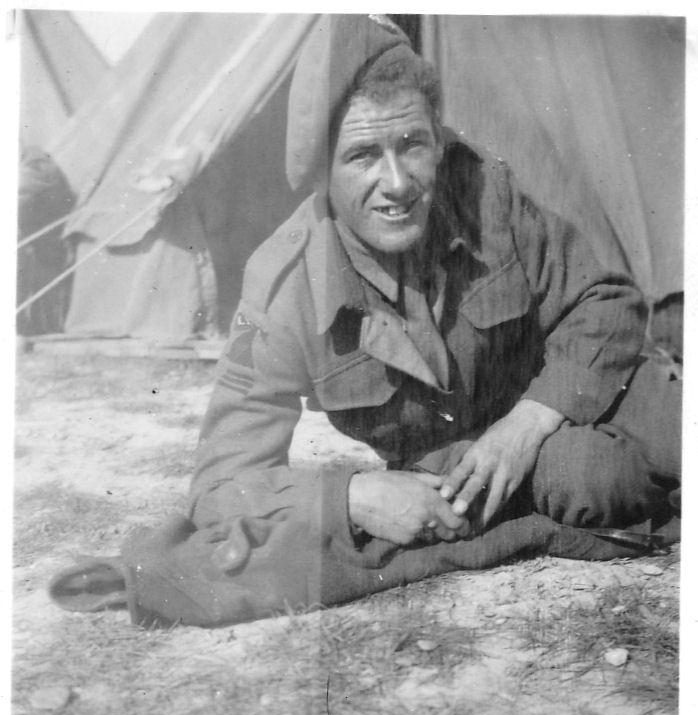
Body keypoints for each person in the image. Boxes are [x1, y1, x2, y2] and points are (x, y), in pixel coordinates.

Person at [49, 14, 681, 628]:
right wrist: (355, 498)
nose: (398, 182)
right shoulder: (286, 286)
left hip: (545, 417)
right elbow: (221, 484)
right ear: (322, 172)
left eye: (412, 144)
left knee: (625, 458)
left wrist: (526, 425)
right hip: (441, 481)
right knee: (270, 549)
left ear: (439, 139)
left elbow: (606, 302)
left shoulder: (487, 195)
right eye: (362, 155)